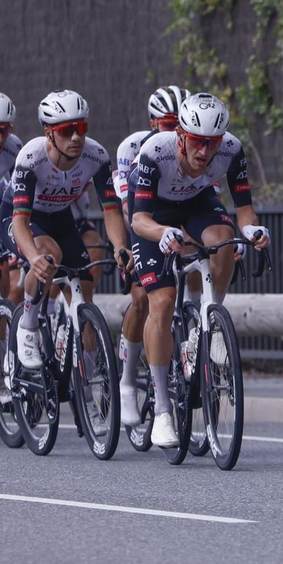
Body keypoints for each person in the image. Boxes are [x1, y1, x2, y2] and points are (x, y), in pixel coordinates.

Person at [129, 92, 269, 448]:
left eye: (212, 143)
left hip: (196, 202)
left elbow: (244, 210)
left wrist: (251, 230)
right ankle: (162, 410)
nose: (205, 152)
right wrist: (162, 233)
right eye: (196, 142)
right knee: (161, 302)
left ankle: (209, 323)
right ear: (180, 135)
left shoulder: (232, 150)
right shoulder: (154, 152)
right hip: (154, 216)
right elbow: (139, 220)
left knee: (224, 239)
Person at [6, 91, 130, 372]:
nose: (76, 137)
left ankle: (86, 387)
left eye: (81, 128)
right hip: (22, 217)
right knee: (48, 255)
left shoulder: (96, 155)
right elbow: (20, 221)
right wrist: (33, 257)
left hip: (58, 216)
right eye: (66, 130)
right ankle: (27, 326)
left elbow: (111, 208)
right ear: (49, 134)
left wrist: (120, 246)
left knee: (83, 287)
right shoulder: (31, 158)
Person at [112, 85, 185, 425]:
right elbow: (131, 209)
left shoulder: (193, 145)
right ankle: (127, 383)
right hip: (145, 220)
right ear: (152, 123)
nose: (173, 130)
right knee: (142, 298)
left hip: (179, 217)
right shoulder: (133, 147)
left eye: (178, 123)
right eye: (167, 122)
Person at [0, 92, 25, 298]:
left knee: (1, 282)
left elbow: (19, 195)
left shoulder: (13, 148)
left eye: (5, 130)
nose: (0, 139)